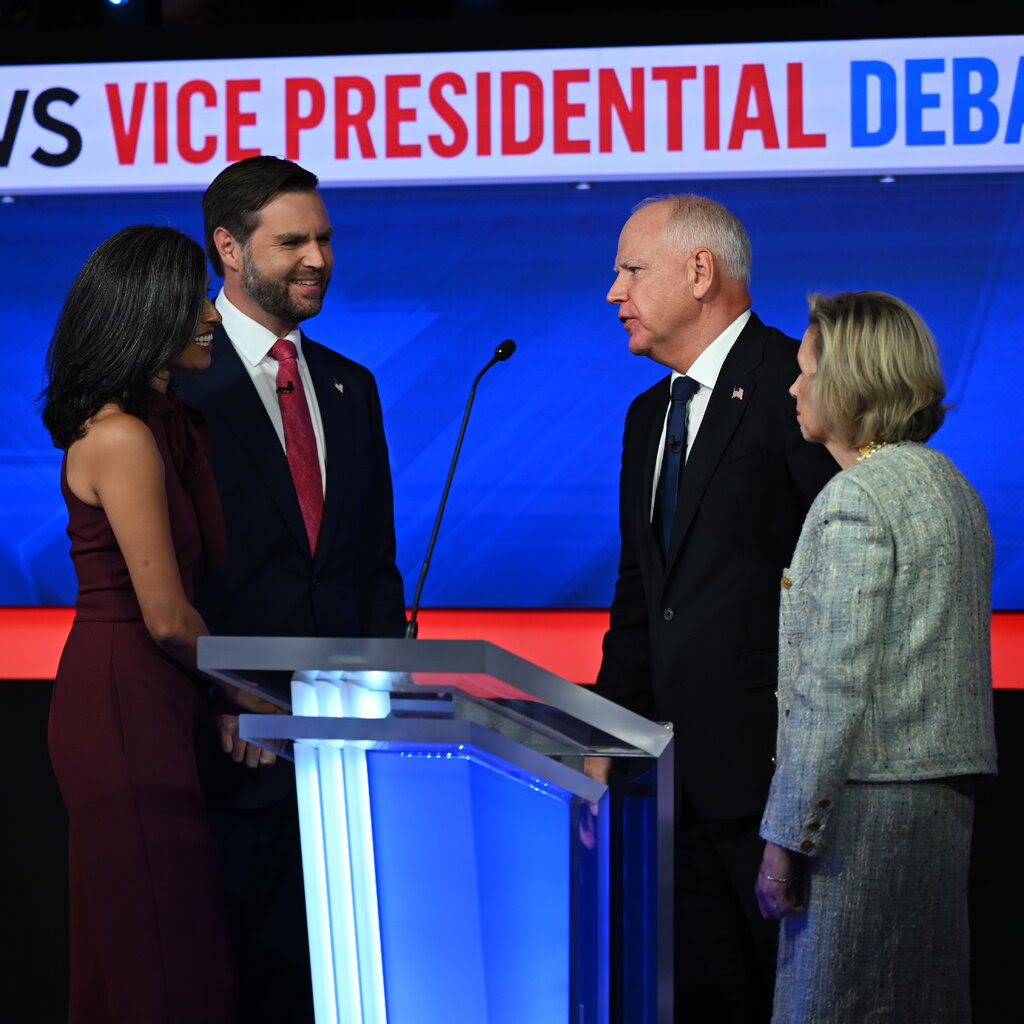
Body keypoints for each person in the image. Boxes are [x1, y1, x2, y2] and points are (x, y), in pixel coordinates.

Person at [586, 195, 838, 1022]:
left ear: (700, 272)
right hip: (669, 789)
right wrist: (607, 735)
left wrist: (806, 787)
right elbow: (641, 594)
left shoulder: (796, 386)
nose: (614, 291)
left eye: (631, 269)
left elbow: (837, 583)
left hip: (774, 788)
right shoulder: (646, 415)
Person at [176, 155, 407, 1022]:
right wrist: (224, 692)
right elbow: (172, 568)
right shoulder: (179, 385)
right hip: (231, 752)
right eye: (292, 242)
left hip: (344, 756)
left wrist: (391, 703)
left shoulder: (352, 387)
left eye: (324, 238)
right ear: (229, 249)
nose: (317, 258)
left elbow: (371, 567)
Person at [41, 224, 275, 1023]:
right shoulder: (121, 437)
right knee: (168, 967)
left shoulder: (160, 425)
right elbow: (170, 618)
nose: (212, 314)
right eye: (194, 300)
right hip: (121, 701)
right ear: (146, 313)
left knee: (136, 959)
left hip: (155, 694)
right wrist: (253, 695)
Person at [754, 291, 997, 1023]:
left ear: (852, 379)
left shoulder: (854, 499)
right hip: (935, 812)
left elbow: (834, 686)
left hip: (859, 817)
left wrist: (783, 840)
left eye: (806, 370)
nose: (793, 387)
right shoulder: (953, 486)